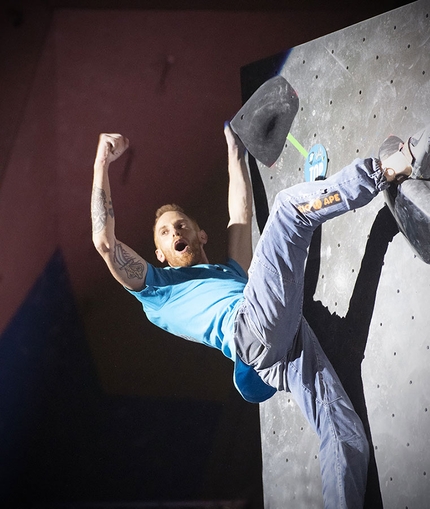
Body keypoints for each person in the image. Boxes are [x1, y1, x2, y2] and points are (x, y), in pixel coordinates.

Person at [91, 124, 414, 509]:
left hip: (281, 350)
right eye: (164, 232)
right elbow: (105, 243)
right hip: (249, 331)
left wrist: (234, 152)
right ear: (159, 253)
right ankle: (387, 169)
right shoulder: (156, 291)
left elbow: (240, 213)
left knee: (345, 435)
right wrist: (101, 162)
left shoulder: (231, 271)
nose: (175, 230)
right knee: (289, 210)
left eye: (181, 224)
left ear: (200, 234)